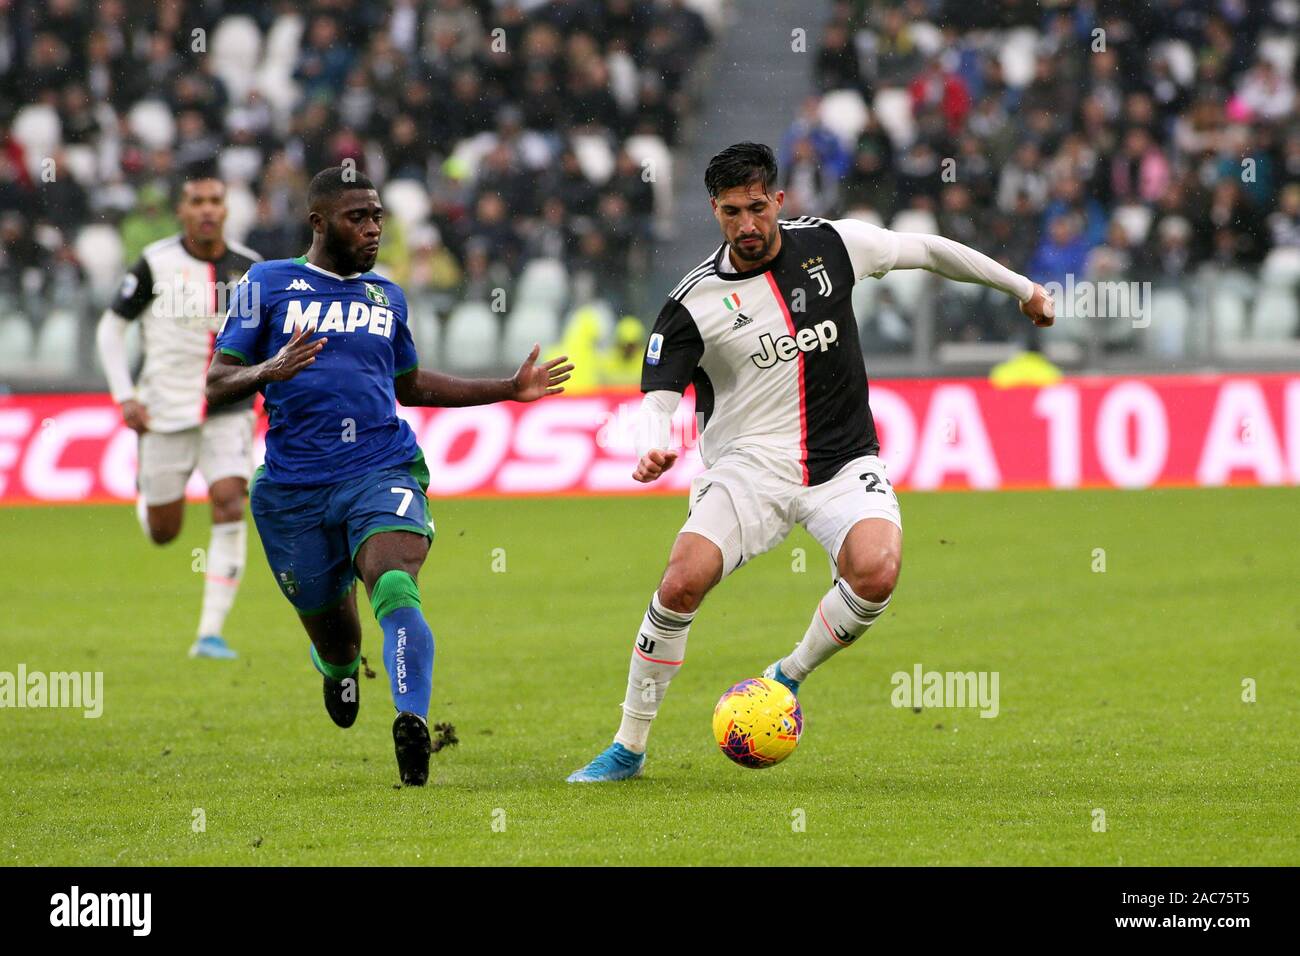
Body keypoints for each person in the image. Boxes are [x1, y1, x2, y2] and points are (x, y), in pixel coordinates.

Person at [567, 142, 1053, 782]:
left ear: (779, 200)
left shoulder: (832, 245)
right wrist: (650, 443)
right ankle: (627, 747)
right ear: (715, 210)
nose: (747, 225)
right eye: (732, 212)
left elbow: (927, 250)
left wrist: (1022, 288)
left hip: (845, 460)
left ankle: (785, 677)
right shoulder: (691, 304)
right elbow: (656, 397)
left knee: (877, 571)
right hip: (747, 469)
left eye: (757, 208)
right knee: (681, 581)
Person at [206, 167, 572, 785]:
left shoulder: (387, 295)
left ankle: (411, 723)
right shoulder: (264, 283)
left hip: (381, 466)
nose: (373, 228)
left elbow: (411, 385)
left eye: (378, 216)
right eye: (358, 217)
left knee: (393, 580)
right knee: (339, 637)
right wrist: (271, 368)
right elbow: (217, 384)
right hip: (294, 488)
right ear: (319, 223)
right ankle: (337, 667)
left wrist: (506, 389)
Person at [95, 163, 261, 660]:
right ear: (182, 210)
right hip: (165, 408)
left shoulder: (252, 267)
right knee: (165, 533)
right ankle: (148, 493)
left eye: (215, 201)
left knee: (231, 499)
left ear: (226, 209)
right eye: (198, 202)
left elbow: (266, 337)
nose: (207, 210)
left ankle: (210, 633)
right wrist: (125, 394)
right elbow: (110, 329)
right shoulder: (153, 262)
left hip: (229, 406)